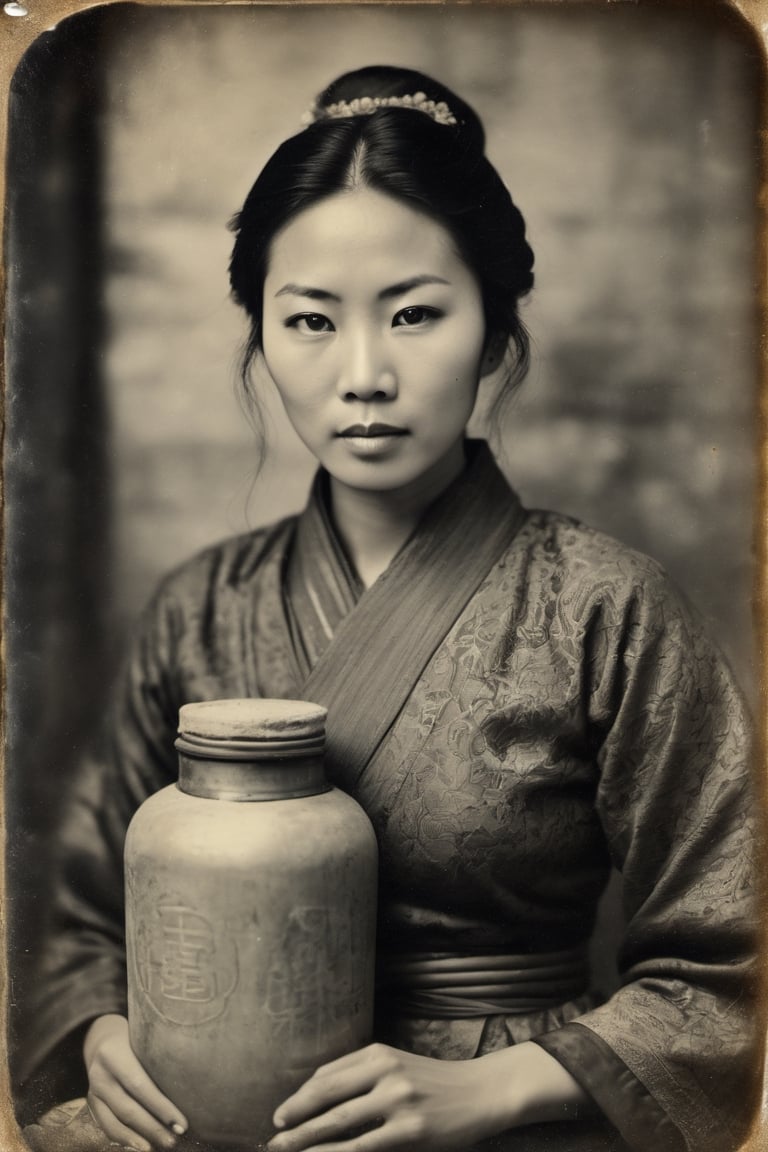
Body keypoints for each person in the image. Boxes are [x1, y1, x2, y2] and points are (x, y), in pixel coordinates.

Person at [16, 65, 759, 1152]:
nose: (364, 373)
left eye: (415, 313)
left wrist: (497, 1090)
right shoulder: (200, 608)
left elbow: (732, 959)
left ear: (498, 335)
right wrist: (100, 1033)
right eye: (310, 321)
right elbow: (77, 918)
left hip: (504, 1120)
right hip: (214, 1117)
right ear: (261, 345)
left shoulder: (611, 607)